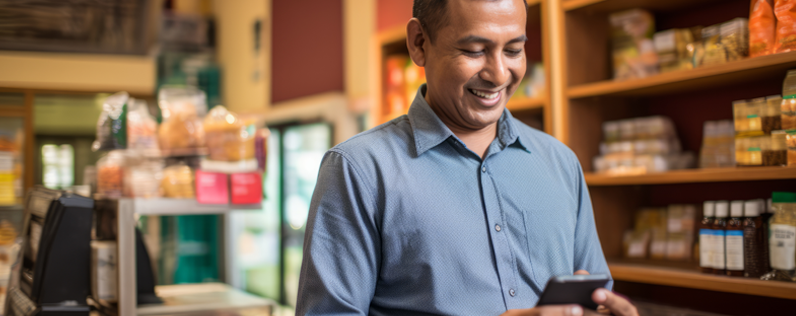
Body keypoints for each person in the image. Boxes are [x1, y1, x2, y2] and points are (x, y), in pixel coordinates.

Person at [296, 0, 639, 315]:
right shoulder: (358, 170)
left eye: (514, 50)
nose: (499, 74)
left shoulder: (561, 163)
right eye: (475, 50)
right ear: (419, 43)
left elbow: (596, 295)